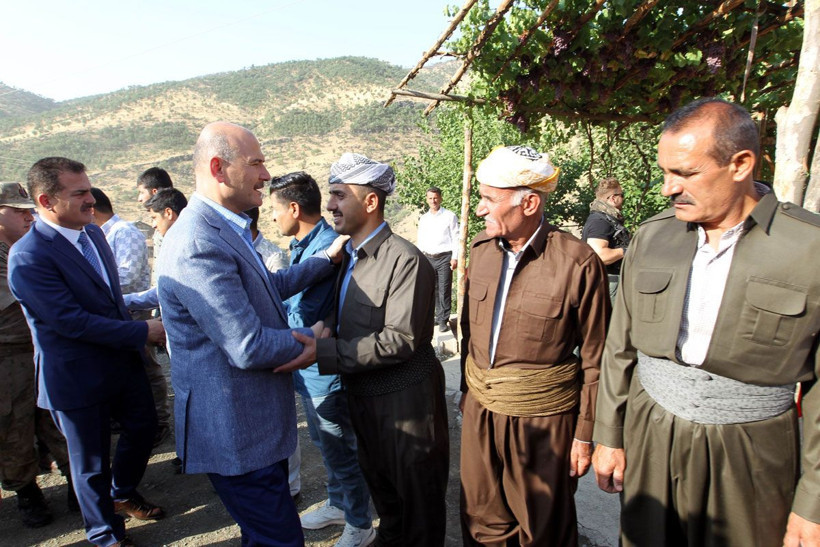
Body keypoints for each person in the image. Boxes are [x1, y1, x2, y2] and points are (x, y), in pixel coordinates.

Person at [591, 97, 820, 547]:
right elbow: (620, 346)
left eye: (685, 173)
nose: (667, 188)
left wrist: (812, 503)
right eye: (665, 172)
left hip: (752, 453)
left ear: (740, 164)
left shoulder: (809, 249)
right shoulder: (652, 237)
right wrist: (610, 436)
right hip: (651, 434)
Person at [156, 121, 346, 546]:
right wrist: (313, 339)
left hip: (253, 427)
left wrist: (324, 262)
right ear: (218, 168)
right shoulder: (198, 242)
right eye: (256, 163)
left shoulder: (225, 227)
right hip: (237, 432)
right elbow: (247, 345)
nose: (265, 174)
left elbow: (264, 287)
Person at [280, 153, 450, 546]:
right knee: (387, 506)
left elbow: (400, 339)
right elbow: (346, 315)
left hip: (406, 407)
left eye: (339, 195)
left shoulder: (405, 260)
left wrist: (323, 352)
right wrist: (324, 329)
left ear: (371, 201)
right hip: (363, 402)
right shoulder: (348, 257)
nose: (329, 205)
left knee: (418, 512)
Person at [8, 158, 167, 547]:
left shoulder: (92, 234)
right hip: (76, 376)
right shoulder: (29, 256)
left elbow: (110, 300)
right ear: (46, 201)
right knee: (90, 463)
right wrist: (142, 331)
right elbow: (71, 323)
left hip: (122, 364)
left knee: (145, 428)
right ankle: (105, 535)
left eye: (89, 189)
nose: (91, 199)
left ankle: (121, 493)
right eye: (79, 193)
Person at [458, 145, 610, 546]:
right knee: (481, 521)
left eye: (489, 199)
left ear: (528, 203)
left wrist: (584, 435)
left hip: (543, 421)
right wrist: (467, 392)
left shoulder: (578, 263)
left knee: (543, 529)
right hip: (481, 410)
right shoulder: (481, 250)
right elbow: (470, 333)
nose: (480, 209)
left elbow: (597, 357)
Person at [270, 171, 374, 547]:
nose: (273, 217)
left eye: (275, 209)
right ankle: (338, 504)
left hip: (325, 368)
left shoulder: (332, 246)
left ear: (294, 209)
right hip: (307, 368)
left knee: (340, 446)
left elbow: (339, 304)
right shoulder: (304, 245)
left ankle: (360, 524)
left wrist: (324, 326)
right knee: (323, 441)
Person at [0, 182, 75, 528]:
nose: (28, 217)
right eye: (17, 212)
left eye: (29, 210)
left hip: (41, 350)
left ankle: (77, 482)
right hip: (8, 358)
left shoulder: (28, 247)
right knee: (14, 428)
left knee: (58, 419)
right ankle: (27, 492)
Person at [90, 187, 171, 446]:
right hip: (118, 312)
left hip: (134, 313)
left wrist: (91, 289)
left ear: (93, 209)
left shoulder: (124, 232)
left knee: (146, 367)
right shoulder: (100, 234)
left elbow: (127, 276)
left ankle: (159, 421)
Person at [245, 205, 301, 499]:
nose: (274, 217)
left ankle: (290, 487)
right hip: (255, 348)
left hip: (271, 346)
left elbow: (281, 303)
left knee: (281, 422)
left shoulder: (271, 255)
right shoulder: (236, 249)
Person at [416, 186, 459, 332]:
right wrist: (420, 258)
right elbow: (421, 239)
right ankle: (436, 316)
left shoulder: (449, 216)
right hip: (428, 258)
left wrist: (455, 257)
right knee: (431, 289)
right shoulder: (424, 219)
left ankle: (443, 320)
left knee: (444, 289)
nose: (433, 201)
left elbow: (456, 238)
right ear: (427, 199)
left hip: (444, 257)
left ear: (440, 198)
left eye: (435, 198)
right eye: (430, 198)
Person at [581, 177, 630, 299]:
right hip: (609, 284)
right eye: (622, 195)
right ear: (613, 198)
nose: (623, 199)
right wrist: (627, 250)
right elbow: (600, 255)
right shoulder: (599, 221)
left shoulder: (606, 218)